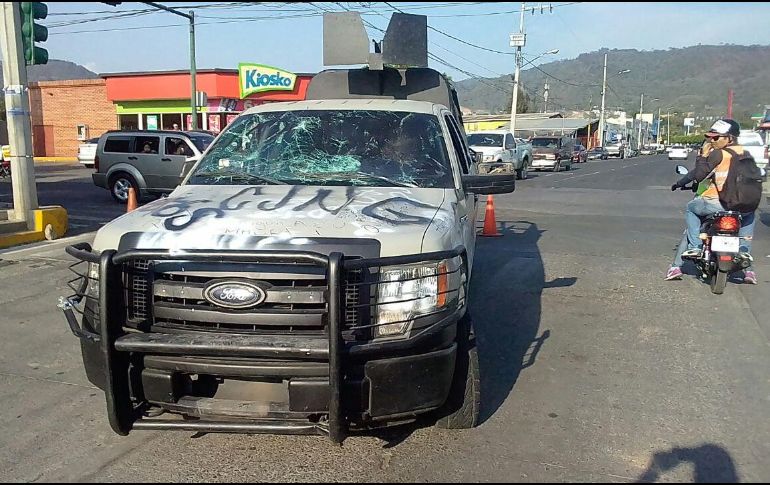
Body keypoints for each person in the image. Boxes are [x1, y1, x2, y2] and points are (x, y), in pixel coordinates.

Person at [665, 119, 757, 284]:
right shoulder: (747, 153)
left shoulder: (719, 153)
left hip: (717, 203)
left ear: (730, 138)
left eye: (716, 138)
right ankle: (748, 270)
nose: (712, 141)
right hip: (744, 205)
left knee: (691, 210)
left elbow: (699, 174)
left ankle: (694, 247)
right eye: (710, 138)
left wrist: (702, 156)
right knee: (748, 221)